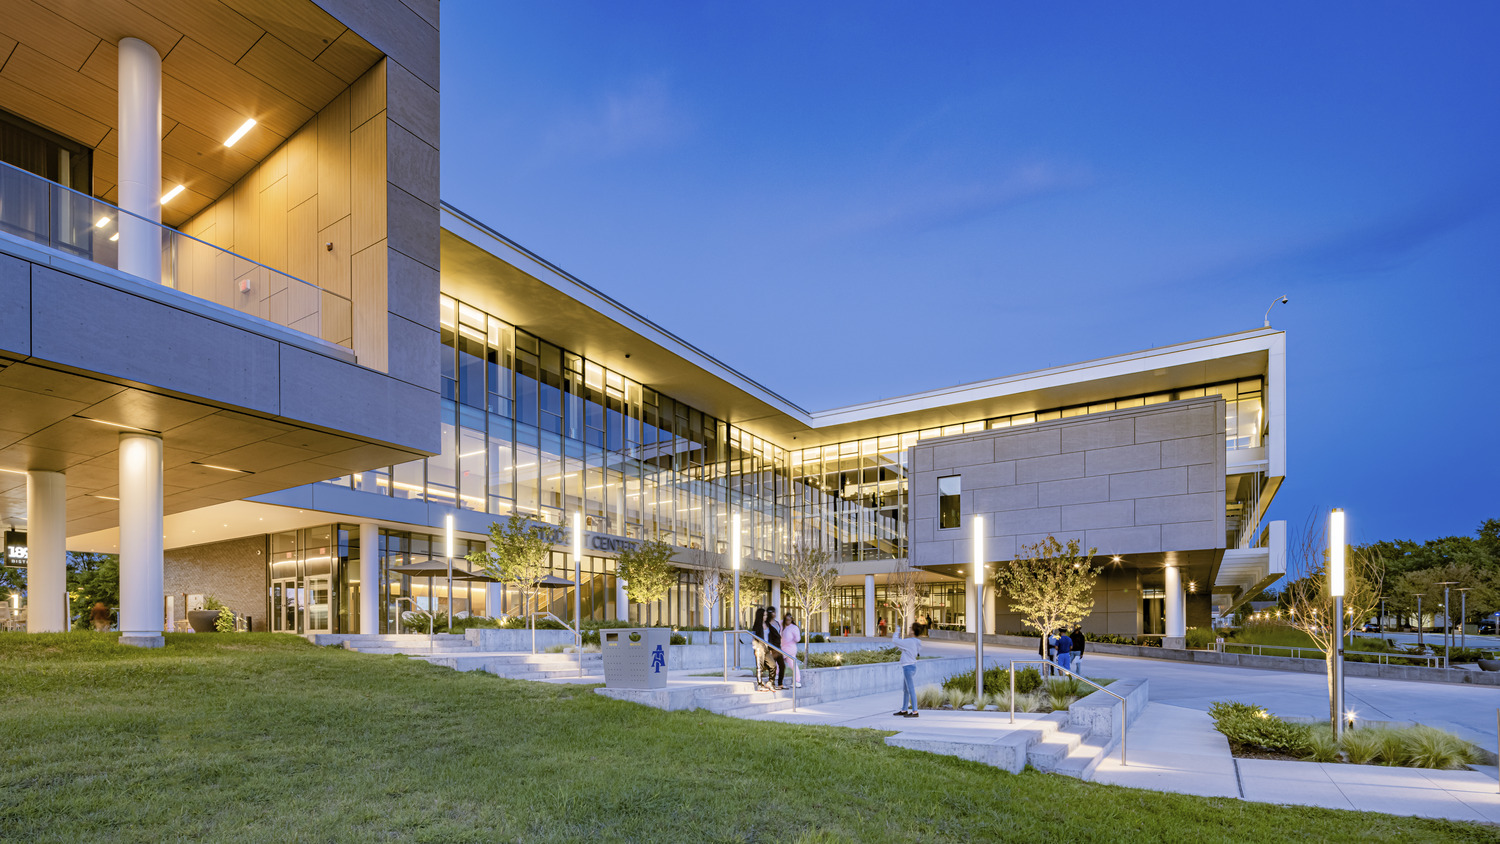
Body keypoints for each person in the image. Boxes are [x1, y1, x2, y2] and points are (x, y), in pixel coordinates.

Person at [892, 624, 921, 717]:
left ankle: (915, 711)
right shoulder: (917, 641)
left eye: (910, 628)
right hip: (911, 666)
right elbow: (906, 649)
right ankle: (904, 709)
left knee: (910, 689)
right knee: (906, 689)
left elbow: (895, 641)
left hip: (908, 667)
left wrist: (897, 631)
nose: (909, 630)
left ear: (913, 631)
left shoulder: (910, 641)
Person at [765, 605, 785, 689]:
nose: (774, 614)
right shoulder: (766, 623)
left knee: (782, 665)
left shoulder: (776, 622)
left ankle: (780, 683)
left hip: (778, 646)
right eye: (772, 612)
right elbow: (768, 636)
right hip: (772, 647)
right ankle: (771, 683)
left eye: (774, 612)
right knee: (772, 666)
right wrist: (770, 649)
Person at [750, 608, 770, 690]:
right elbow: (754, 638)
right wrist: (756, 649)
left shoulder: (767, 625)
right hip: (759, 648)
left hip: (767, 648)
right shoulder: (757, 626)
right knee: (759, 666)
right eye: (764, 615)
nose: (766, 617)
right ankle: (759, 684)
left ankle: (768, 682)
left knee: (770, 665)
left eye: (766, 615)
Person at [781, 611, 802, 688]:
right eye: (786, 620)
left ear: (791, 620)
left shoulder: (794, 627)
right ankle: (797, 681)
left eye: (789, 620)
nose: (787, 621)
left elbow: (798, 639)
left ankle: (797, 681)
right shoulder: (782, 625)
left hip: (790, 649)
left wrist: (795, 637)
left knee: (779, 662)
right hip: (783, 648)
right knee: (792, 665)